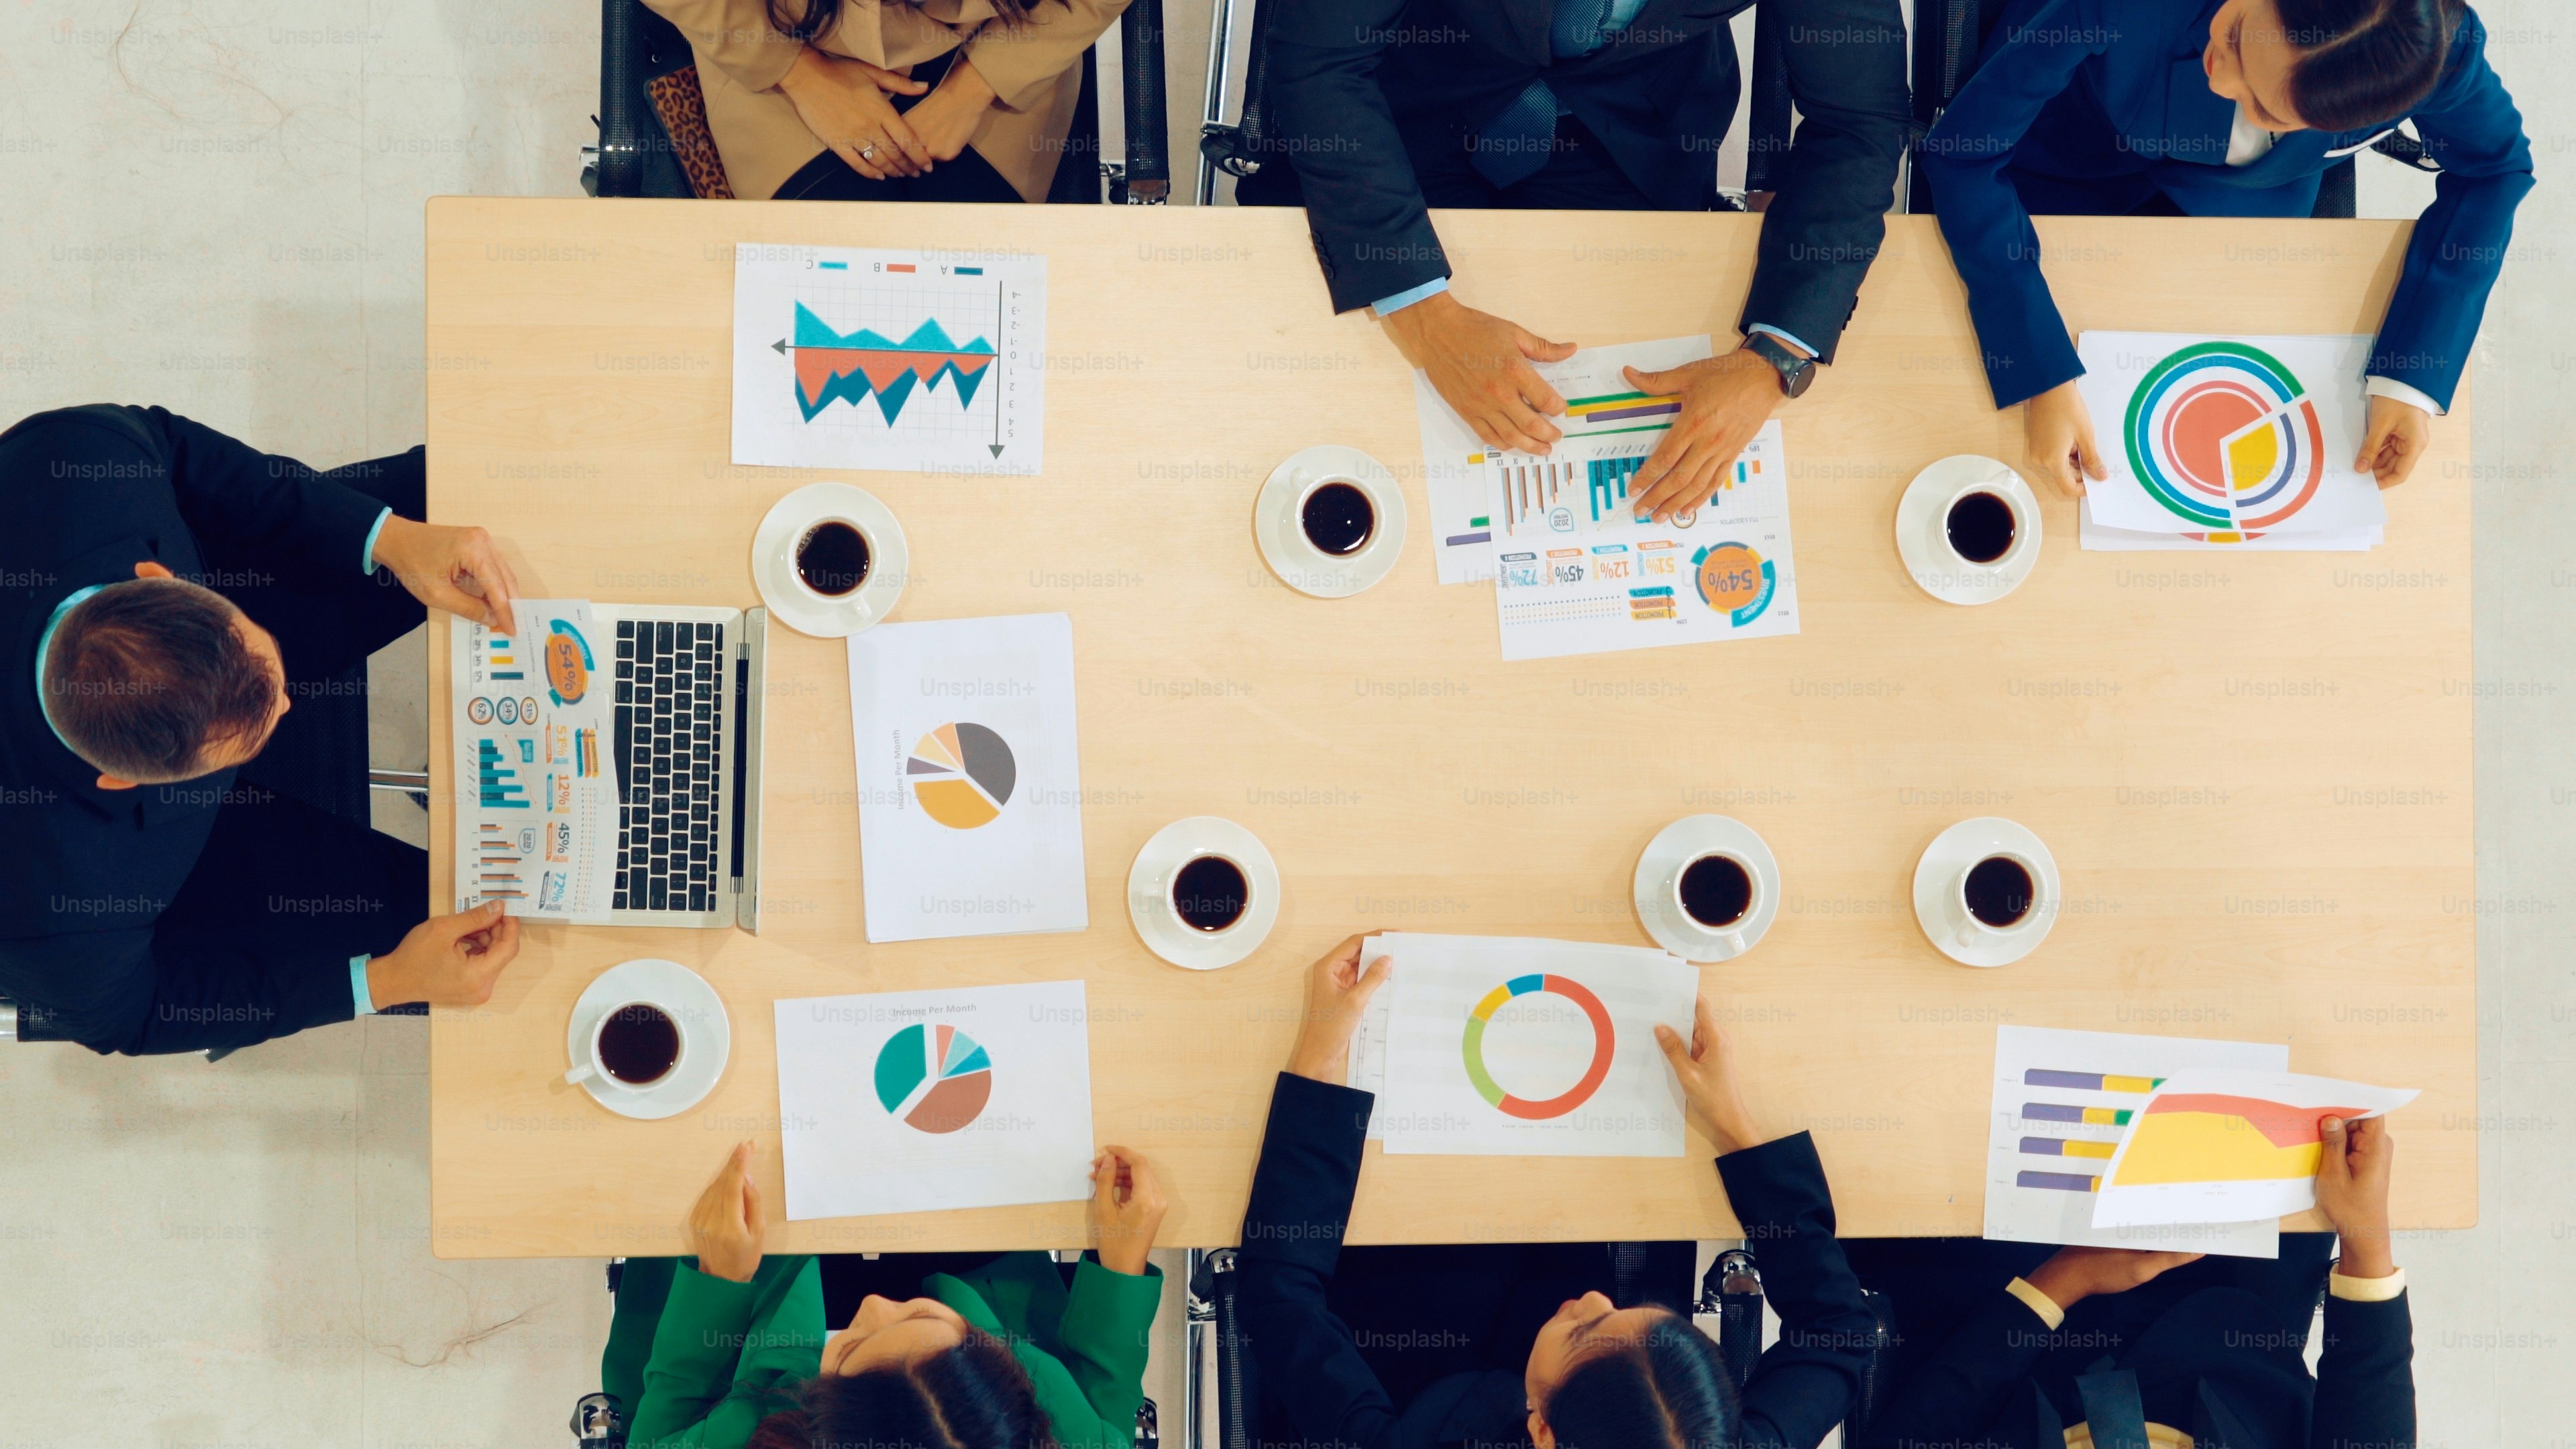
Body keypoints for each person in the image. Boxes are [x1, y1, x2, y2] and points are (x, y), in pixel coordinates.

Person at [1251, 0, 1913, 523]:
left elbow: (1857, 122)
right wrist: (1419, 309)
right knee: (1366, 441)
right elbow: (1322, 61)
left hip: (1637, 128)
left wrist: (1778, 354)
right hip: (1402, 110)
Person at [0, 404, 524, 1055]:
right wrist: (386, 982)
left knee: (465, 506)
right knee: (485, 942)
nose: (288, 707)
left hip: (231, 585)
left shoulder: (73, 460)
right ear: (121, 780)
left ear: (157, 575)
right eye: (248, 734)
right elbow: (132, 1018)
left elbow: (175, 449)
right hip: (183, 868)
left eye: (267, 670)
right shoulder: (51, 926)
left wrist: (387, 537)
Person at [1234, 933, 1879, 1448]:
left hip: (1415, 1352)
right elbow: (1839, 1330)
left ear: (1542, 1433)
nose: (1597, 1298)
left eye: (1588, 1326)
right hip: (1566, 1253)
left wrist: (1318, 1062)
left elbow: (1278, 1297)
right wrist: (1736, 1128)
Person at [1921, 0, 2532, 495]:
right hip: (2066, 157)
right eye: (2237, 34)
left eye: (2267, 108)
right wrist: (2039, 369)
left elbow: (2494, 171)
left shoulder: (2436, 50)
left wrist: (2410, 379)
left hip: (2250, 221)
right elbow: (1963, 153)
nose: (2220, 75)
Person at [1849, 1115, 2410, 1448]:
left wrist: (2066, 1277)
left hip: (2010, 1330)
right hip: (2232, 1323)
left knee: (1925, 1139)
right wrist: (2365, 1234)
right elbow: (2369, 1409)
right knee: (2277, 1101)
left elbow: (1915, 1431)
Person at [602, 1139, 1169, 1448]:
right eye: (921, 1320)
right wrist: (1121, 1262)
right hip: (978, 1262)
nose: (873, 1306)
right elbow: (1106, 1382)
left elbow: (669, 1412)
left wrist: (720, 1280)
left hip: (764, 1295)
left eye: (852, 1347)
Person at [643, 0, 1128, 204]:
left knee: (976, 278)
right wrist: (797, 73)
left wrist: (979, 85)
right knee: (814, 276)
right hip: (781, 36)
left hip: (1004, 34)